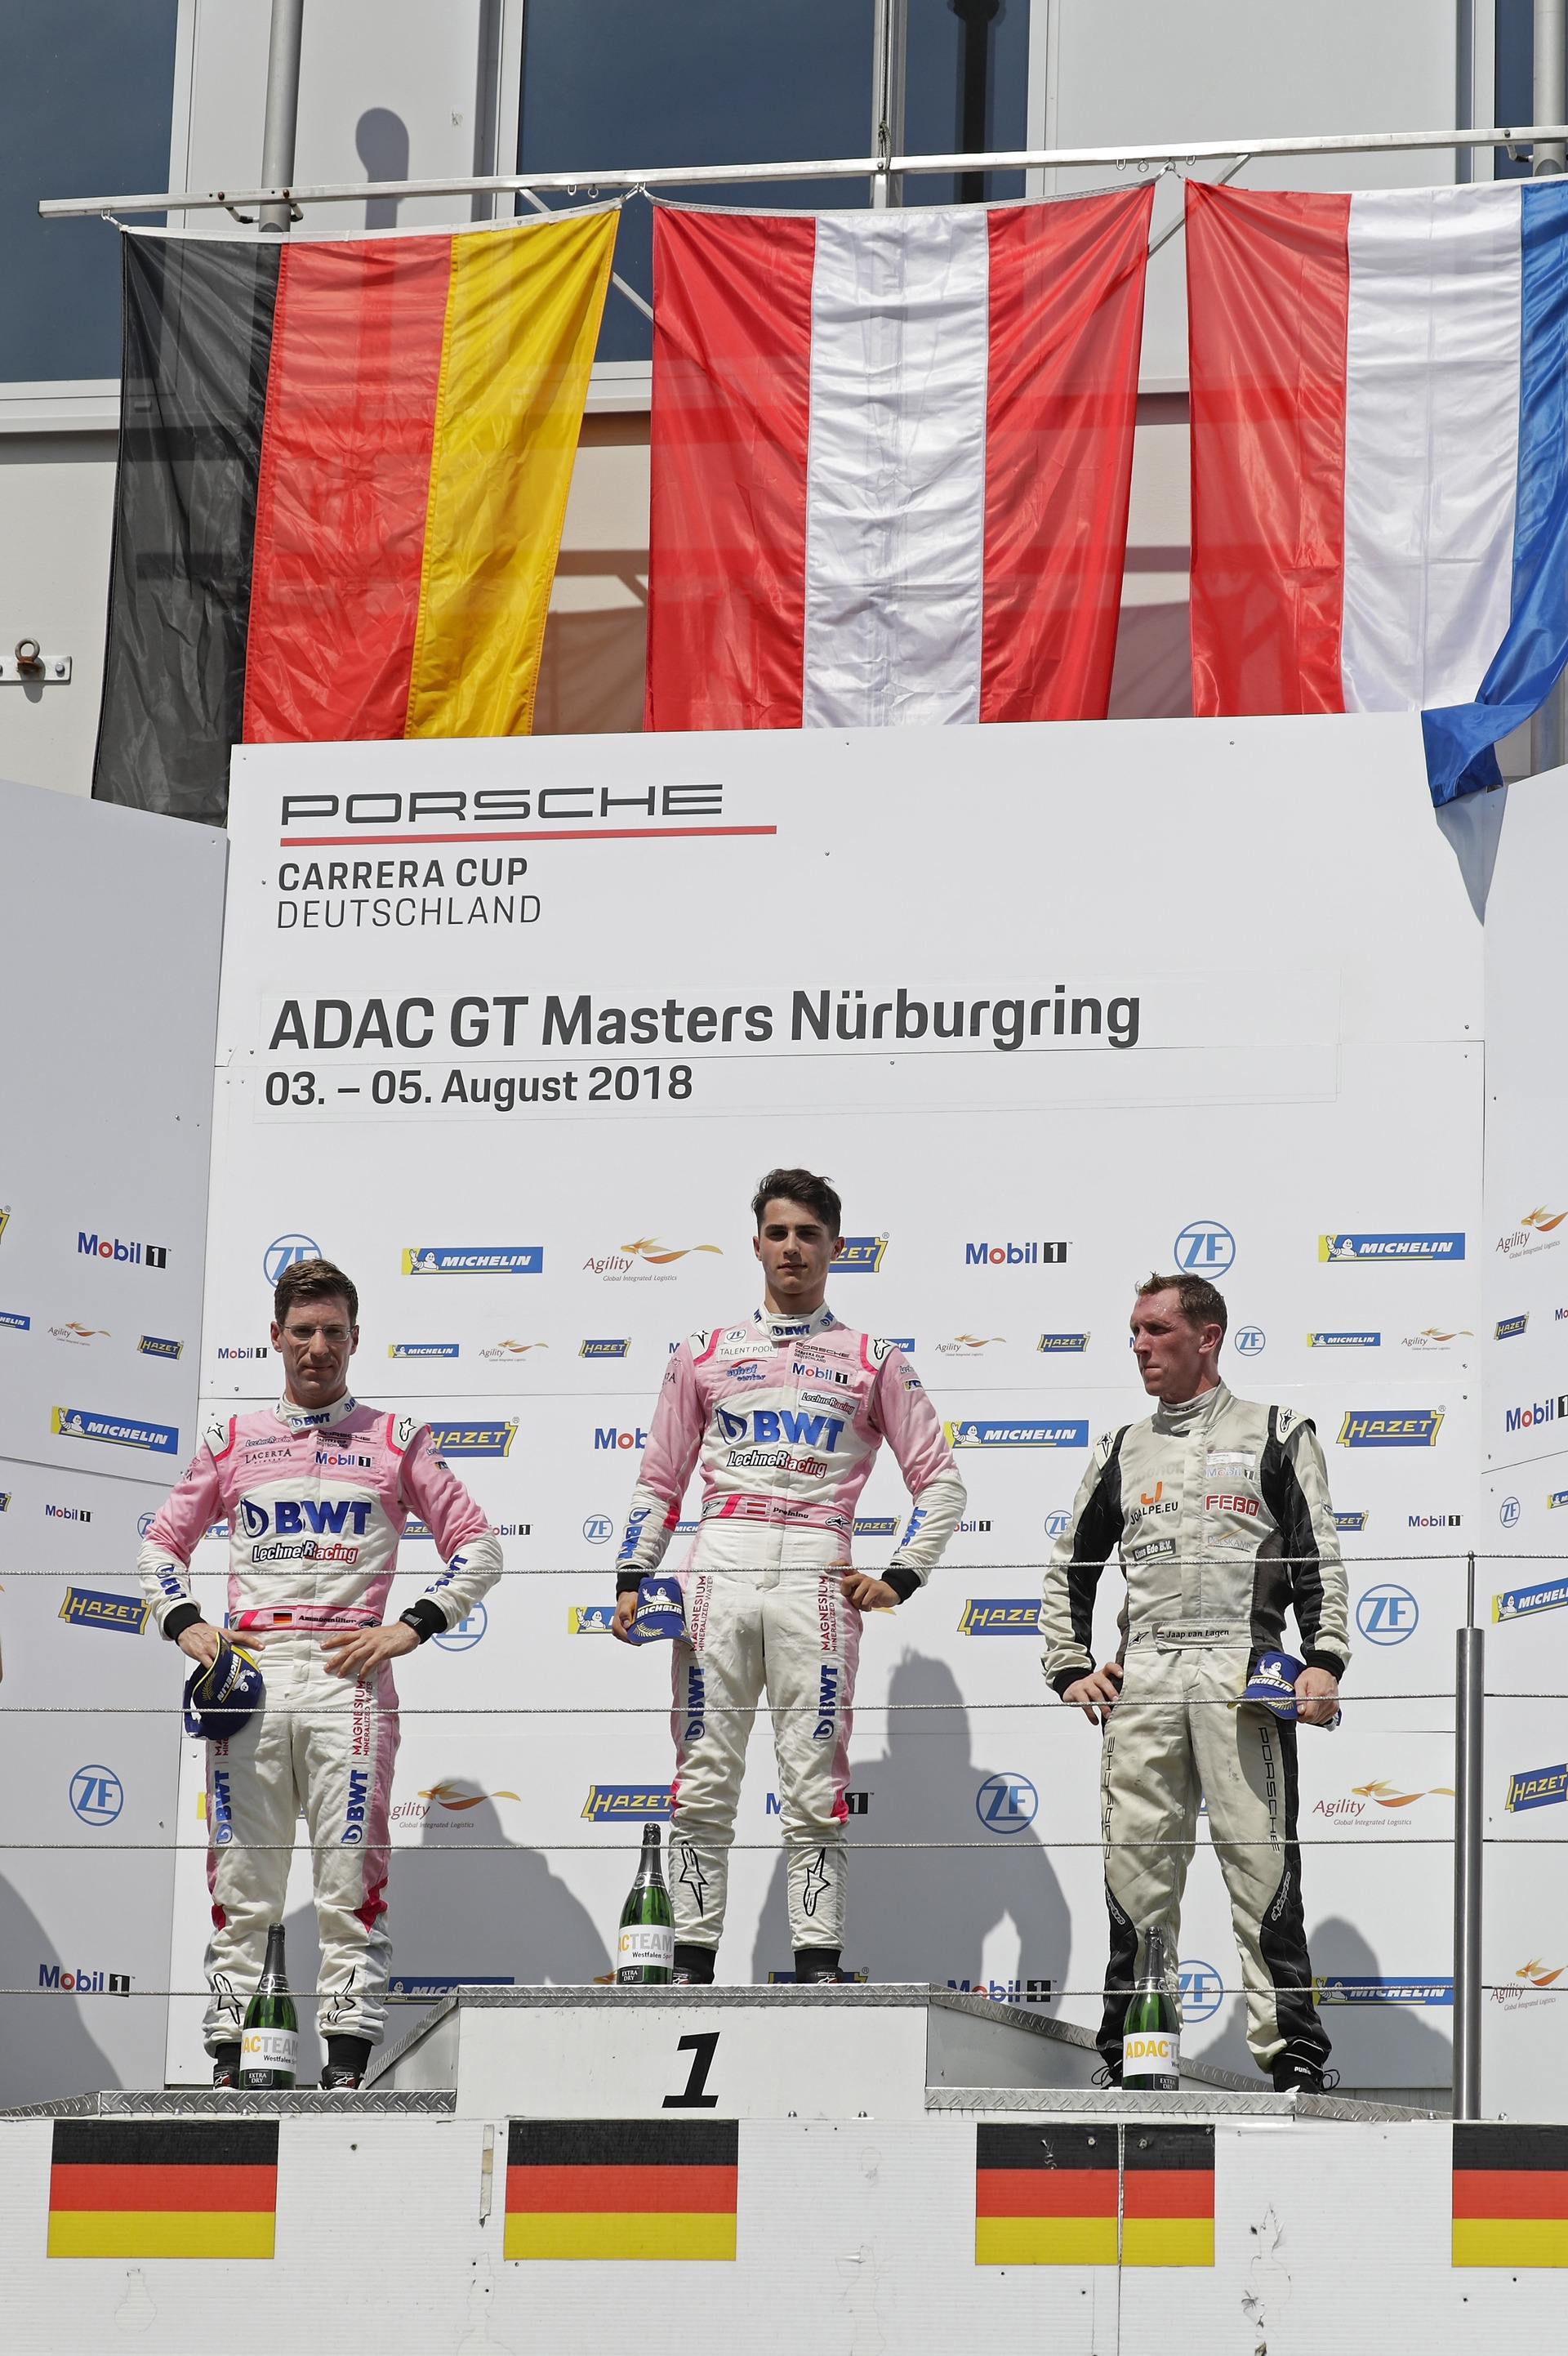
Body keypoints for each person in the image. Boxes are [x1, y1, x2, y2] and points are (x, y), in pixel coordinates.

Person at [140, 1256, 501, 2088]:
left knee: (349, 1885)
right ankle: (232, 2064)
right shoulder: (234, 1440)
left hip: (349, 1683)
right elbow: (159, 1543)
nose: (318, 1347)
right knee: (242, 1885)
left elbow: (480, 1547)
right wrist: (186, 1621)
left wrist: (415, 1624)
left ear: (355, 1338)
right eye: (302, 1331)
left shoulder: (396, 1438)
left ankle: (346, 2068)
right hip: (253, 1683)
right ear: (275, 1336)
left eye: (333, 1331)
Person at [612, 1167, 966, 1983]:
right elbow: (659, 1480)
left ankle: (817, 1963)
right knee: (702, 1776)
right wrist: (632, 1575)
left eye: (809, 1234)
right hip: (719, 1569)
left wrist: (902, 1575)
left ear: (837, 1247)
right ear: (756, 1245)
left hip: (817, 1572)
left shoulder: (874, 1359)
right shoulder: (703, 1354)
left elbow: (941, 1483)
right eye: (778, 1233)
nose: (792, 1249)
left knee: (815, 1784)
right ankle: (689, 1962)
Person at [1040, 1271, 1349, 2092]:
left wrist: (1324, 1658)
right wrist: (1069, 1665)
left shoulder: (1277, 1431)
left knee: (1262, 1867)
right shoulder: (1120, 1448)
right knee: (1137, 1872)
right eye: (1134, 1332)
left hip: (1244, 1674)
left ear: (1207, 1337)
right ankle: (1135, 2056)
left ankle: (1295, 2061)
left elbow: (1318, 1555)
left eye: (1156, 1330)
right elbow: (1071, 1565)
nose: (1139, 1345)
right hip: (1144, 1678)